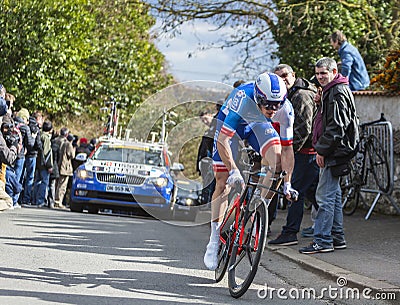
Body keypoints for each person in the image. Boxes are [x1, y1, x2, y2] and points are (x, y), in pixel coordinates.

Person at [204, 72, 293, 270]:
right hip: (231, 126)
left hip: (257, 125)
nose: (272, 109)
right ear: (258, 97)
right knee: (223, 180)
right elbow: (223, 140)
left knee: (277, 163)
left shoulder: (285, 109)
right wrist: (234, 170)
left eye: (276, 104)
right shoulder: (242, 99)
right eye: (267, 104)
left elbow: (288, 149)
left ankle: (257, 209)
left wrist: (287, 183)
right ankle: (214, 239)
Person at [299, 57, 359, 254]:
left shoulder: (337, 92)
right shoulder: (331, 91)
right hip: (334, 150)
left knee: (324, 197)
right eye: (317, 74)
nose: (319, 77)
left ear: (334, 72)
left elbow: (336, 127)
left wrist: (322, 150)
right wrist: (320, 102)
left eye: (323, 73)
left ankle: (323, 241)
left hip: (333, 151)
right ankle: (336, 237)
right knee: (332, 196)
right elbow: (329, 121)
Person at [268, 64, 319, 246]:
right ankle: (330, 229)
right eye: (278, 77)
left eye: (285, 75)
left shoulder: (301, 95)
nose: (282, 80)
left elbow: (303, 129)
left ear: (293, 75)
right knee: (313, 194)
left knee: (294, 191)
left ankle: (290, 232)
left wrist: (288, 152)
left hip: (305, 152)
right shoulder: (291, 95)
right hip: (305, 151)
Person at [196, 109, 217, 205]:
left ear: (210, 114)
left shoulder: (216, 124)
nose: (205, 122)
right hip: (205, 164)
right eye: (202, 121)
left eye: (205, 119)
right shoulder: (208, 131)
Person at [33, 120, 53, 207]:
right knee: (44, 182)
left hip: (38, 162)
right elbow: (47, 153)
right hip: (44, 164)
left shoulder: (39, 135)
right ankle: (40, 200)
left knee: (37, 181)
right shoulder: (46, 138)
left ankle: (34, 199)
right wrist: (49, 165)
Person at [55, 132, 75, 209]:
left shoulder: (61, 142)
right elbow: (72, 155)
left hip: (60, 165)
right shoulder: (69, 145)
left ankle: (56, 200)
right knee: (62, 185)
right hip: (65, 167)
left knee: (58, 184)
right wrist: (74, 149)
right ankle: (58, 201)